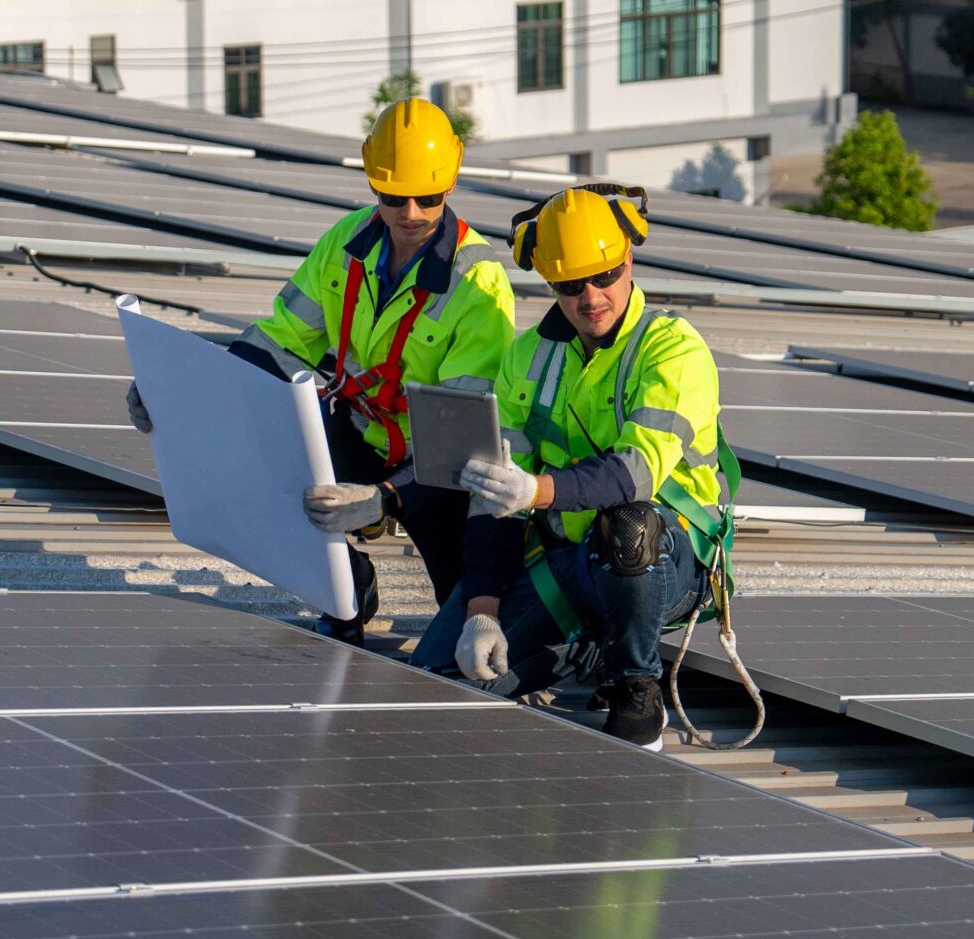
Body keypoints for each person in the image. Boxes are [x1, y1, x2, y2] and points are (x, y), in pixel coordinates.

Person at [125, 98, 516, 643]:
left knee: (459, 622)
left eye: (426, 198)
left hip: (433, 472)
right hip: (358, 431)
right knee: (267, 466)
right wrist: (184, 395)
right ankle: (347, 589)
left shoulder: (478, 282)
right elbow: (279, 343)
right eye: (392, 197)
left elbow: (457, 444)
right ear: (372, 183)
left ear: (450, 184)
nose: (410, 214)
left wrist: (383, 498)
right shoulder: (346, 244)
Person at [414, 183, 736, 751]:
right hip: (569, 564)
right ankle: (582, 654)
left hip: (663, 563)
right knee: (442, 675)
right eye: (569, 283)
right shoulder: (528, 356)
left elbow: (630, 476)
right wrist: (481, 613)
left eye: (604, 276)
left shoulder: (672, 349)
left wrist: (533, 490)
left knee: (631, 524)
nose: (590, 296)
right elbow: (494, 495)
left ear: (627, 260)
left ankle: (636, 686)